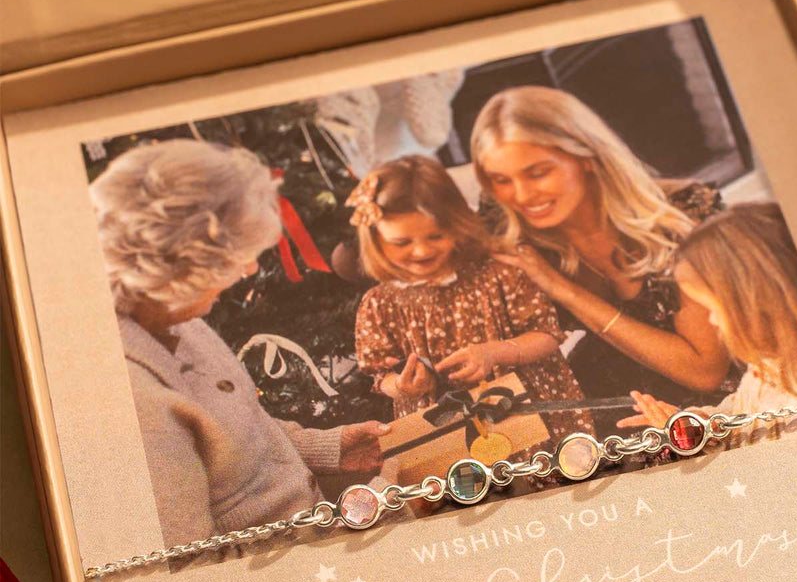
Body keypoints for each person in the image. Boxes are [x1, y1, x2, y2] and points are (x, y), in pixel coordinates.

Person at [90, 140, 389, 548]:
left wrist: (328, 447)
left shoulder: (176, 317)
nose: (249, 269)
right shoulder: (133, 398)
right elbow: (195, 569)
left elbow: (238, 431)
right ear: (180, 265)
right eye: (237, 257)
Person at [470, 86, 733, 444]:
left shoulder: (684, 214)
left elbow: (705, 371)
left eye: (538, 173)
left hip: (707, 409)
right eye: (502, 180)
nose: (522, 196)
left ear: (586, 156)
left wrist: (562, 289)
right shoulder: (511, 229)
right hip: (605, 398)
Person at [351, 155, 593, 462]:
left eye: (436, 236)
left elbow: (547, 336)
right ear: (375, 239)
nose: (422, 250)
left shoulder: (498, 274)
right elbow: (379, 374)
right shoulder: (379, 303)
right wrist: (400, 386)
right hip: (445, 434)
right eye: (401, 242)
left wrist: (495, 352)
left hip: (531, 417)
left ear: (458, 224)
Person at [620, 202, 797, 438]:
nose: (712, 321)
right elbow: (744, 407)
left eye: (712, 308)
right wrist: (703, 424)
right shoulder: (769, 361)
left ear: (755, 305)